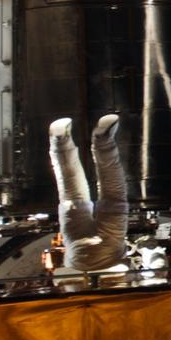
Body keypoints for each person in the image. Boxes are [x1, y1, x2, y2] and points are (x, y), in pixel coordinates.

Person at [48, 114, 128, 270]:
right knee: (70, 192)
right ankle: (59, 140)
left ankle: (103, 140)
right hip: (76, 252)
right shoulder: (75, 290)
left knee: (113, 194)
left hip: (109, 247)